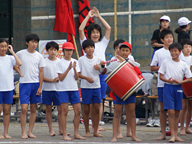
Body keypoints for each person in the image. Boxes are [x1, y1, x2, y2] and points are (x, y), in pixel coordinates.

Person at [100, 41, 141, 142]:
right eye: (122, 50)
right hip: (118, 91)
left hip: (130, 91)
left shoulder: (131, 62)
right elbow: (104, 71)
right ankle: (114, 136)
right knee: (117, 113)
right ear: (119, 51)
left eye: (126, 50)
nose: (124, 52)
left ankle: (134, 135)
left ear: (129, 52)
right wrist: (101, 66)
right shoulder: (113, 62)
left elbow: (138, 66)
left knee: (132, 113)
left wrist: (125, 61)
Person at [79, 7, 111, 131]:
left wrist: (98, 17)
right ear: (89, 34)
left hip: (101, 74)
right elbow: (81, 29)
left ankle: (97, 125)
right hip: (88, 75)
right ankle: (91, 125)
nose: (96, 34)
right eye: (93, 32)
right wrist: (88, 16)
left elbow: (108, 28)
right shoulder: (85, 43)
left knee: (99, 102)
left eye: (97, 32)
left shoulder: (103, 43)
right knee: (89, 104)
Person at [158, 42, 192, 142]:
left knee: (177, 112)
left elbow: (190, 78)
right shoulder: (165, 62)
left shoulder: (183, 64)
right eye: (171, 51)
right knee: (170, 111)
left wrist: (181, 81)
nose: (173, 53)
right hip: (168, 87)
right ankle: (172, 135)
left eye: (175, 51)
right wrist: (168, 80)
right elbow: (161, 76)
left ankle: (176, 135)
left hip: (178, 88)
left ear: (179, 52)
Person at [16, 34, 45, 139]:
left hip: (36, 84)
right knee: (24, 108)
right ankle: (23, 132)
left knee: (34, 108)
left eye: (36, 42)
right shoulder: (21, 53)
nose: (34, 44)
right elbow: (14, 63)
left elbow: (41, 72)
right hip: (24, 83)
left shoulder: (39, 56)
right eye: (32, 42)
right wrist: (18, 71)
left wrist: (40, 87)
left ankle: (30, 131)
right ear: (27, 42)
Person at [56, 42, 86, 141]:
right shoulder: (59, 62)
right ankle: (64, 133)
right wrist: (68, 69)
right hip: (63, 89)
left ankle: (76, 133)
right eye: (67, 50)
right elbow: (61, 78)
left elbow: (77, 78)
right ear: (63, 51)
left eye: (70, 50)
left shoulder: (75, 61)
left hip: (74, 89)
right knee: (64, 111)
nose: (69, 52)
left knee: (78, 111)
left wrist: (73, 69)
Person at [150, 29, 174, 140]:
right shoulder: (158, 52)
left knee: (173, 110)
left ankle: (174, 133)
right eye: (167, 37)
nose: (170, 39)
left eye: (171, 37)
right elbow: (152, 67)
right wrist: (163, 67)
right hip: (162, 84)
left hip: (175, 84)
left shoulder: (177, 51)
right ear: (162, 40)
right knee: (163, 109)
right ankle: (163, 133)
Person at [78, 39, 103, 137]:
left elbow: (103, 71)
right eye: (88, 47)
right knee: (86, 109)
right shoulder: (81, 60)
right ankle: (87, 131)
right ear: (84, 49)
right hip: (85, 87)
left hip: (96, 87)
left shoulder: (98, 59)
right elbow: (78, 74)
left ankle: (95, 130)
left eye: (92, 47)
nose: (90, 49)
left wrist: (101, 67)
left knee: (96, 108)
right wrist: (86, 78)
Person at [0, 39, 22, 139]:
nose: (4, 48)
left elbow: (19, 63)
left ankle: (6, 132)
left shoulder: (10, 58)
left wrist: (12, 51)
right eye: (2, 46)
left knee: (7, 111)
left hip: (8, 88)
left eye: (5, 46)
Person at [42, 41, 61, 136]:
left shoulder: (60, 62)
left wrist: (59, 78)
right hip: (47, 89)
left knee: (60, 109)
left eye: (55, 50)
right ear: (47, 51)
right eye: (51, 50)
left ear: (57, 51)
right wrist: (51, 80)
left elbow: (63, 75)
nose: (53, 52)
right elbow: (41, 76)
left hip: (58, 89)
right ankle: (50, 130)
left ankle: (61, 129)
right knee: (48, 109)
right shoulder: (44, 62)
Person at [179, 39, 192, 135]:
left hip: (190, 84)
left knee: (190, 107)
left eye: (190, 47)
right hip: (182, 83)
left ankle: (187, 127)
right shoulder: (180, 59)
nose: (188, 49)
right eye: (186, 47)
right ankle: (182, 127)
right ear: (182, 49)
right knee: (183, 106)